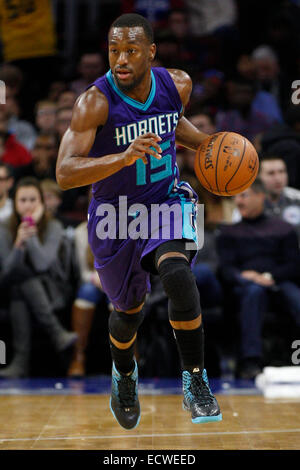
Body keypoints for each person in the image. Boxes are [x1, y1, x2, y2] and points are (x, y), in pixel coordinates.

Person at [56, 13, 222, 429]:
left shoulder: (177, 84)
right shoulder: (93, 102)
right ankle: (125, 375)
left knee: (177, 273)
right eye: (114, 51)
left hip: (166, 201)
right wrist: (123, 157)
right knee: (127, 312)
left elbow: (172, 125)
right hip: (115, 217)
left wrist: (210, 147)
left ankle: (196, 382)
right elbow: (64, 171)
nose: (120, 59)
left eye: (130, 50)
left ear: (151, 51)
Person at [217, 178, 300, 379]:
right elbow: (225, 269)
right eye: (236, 196)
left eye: (243, 195)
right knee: (253, 293)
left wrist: (270, 277)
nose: (238, 201)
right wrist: (245, 277)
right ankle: (250, 361)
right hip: (245, 286)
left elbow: (293, 264)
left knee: (296, 297)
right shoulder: (229, 232)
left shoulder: (283, 228)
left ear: (260, 196)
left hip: (279, 281)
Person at [0, 177, 77, 378]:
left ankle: (21, 362)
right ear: (14, 203)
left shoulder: (54, 226)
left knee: (22, 283)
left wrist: (31, 234)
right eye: (23, 200)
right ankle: (56, 333)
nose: (28, 205)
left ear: (41, 203)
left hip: (52, 289)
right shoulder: (3, 228)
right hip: (15, 288)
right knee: (20, 281)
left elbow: (43, 265)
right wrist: (18, 244)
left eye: (33, 200)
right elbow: (6, 273)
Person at [67, 221, 107, 377]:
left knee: (118, 297)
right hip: (92, 280)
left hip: (120, 282)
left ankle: (128, 358)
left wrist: (111, 281)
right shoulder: (81, 230)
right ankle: (78, 355)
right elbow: (82, 271)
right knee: (87, 291)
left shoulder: (128, 225)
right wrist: (96, 278)